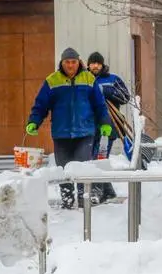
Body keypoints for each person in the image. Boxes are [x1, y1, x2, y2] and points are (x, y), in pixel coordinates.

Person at [26, 48, 112, 209]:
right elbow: (41, 105)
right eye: (67, 62)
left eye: (73, 62)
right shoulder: (52, 80)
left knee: (82, 165)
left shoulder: (88, 79)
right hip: (61, 133)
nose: (70, 65)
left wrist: (105, 123)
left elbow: (99, 105)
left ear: (78, 61)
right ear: (62, 62)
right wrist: (34, 121)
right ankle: (67, 198)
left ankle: (83, 198)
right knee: (63, 168)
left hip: (85, 131)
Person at [87, 52, 131, 203]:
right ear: (88, 65)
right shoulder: (85, 79)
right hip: (90, 126)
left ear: (102, 64)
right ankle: (108, 191)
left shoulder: (113, 79)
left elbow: (126, 97)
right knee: (92, 159)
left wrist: (109, 92)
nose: (95, 66)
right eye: (93, 63)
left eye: (98, 63)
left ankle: (97, 192)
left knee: (99, 159)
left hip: (109, 126)